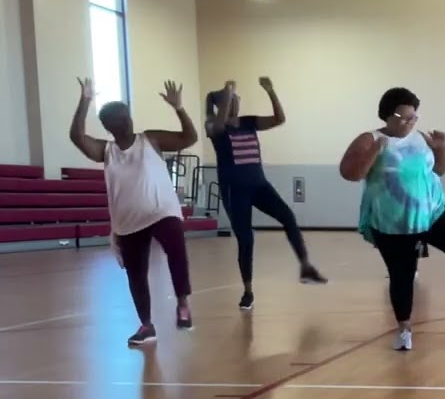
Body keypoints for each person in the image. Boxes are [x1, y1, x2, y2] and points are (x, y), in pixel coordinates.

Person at [339, 87, 445, 352]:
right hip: (394, 221)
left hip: (433, 210)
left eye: (414, 117)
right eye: (404, 117)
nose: (410, 122)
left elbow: (440, 169)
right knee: (402, 275)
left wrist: (441, 148)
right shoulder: (370, 139)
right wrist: (374, 152)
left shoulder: (420, 138)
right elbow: (349, 173)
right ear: (388, 116)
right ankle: (404, 329)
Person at [69, 77, 199, 347]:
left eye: (126, 115)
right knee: (136, 273)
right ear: (110, 126)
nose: (127, 120)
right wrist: (85, 101)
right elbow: (77, 137)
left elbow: (189, 138)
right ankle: (146, 325)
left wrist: (179, 108)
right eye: (120, 118)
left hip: (162, 210)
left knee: (176, 248)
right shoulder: (106, 150)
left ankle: (182, 304)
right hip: (128, 221)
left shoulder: (150, 139)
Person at [206, 78, 326, 312]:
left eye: (237, 99)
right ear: (222, 103)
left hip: (259, 186)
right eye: (231, 99)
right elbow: (219, 125)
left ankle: (305, 267)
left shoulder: (248, 122)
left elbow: (279, 119)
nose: (236, 101)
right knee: (246, 240)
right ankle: (248, 291)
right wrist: (228, 91)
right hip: (234, 191)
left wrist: (271, 91)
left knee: (288, 217)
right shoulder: (214, 127)